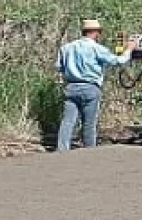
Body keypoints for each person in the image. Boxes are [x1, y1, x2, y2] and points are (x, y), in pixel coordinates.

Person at [55, 19, 135, 152]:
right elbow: (118, 61)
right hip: (90, 88)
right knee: (89, 123)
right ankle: (89, 151)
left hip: (71, 87)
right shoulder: (97, 48)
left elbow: (59, 67)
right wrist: (129, 50)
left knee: (67, 121)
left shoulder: (66, 48)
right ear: (96, 33)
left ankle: (62, 149)